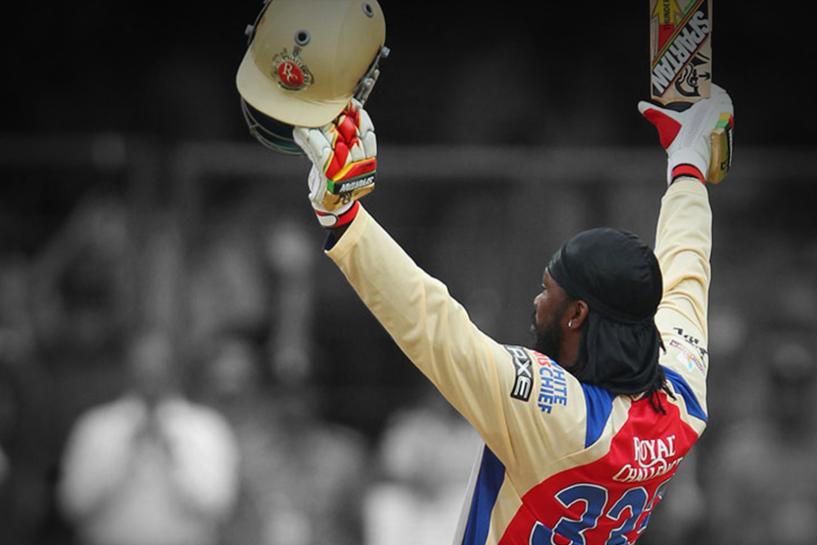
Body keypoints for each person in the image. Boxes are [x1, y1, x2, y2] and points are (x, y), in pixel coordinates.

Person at [279, 80, 734, 543]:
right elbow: (685, 272)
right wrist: (687, 165)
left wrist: (345, 218)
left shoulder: (555, 415)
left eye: (547, 290)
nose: (537, 301)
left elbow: (433, 324)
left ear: (576, 315)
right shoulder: (682, 393)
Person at [58, 329, 239, 545]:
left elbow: (220, 507)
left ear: (175, 368)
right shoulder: (96, 426)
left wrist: (173, 458)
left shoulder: (207, 428)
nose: (151, 372)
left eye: (159, 364)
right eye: (143, 364)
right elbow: (73, 505)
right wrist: (123, 456)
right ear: (128, 367)